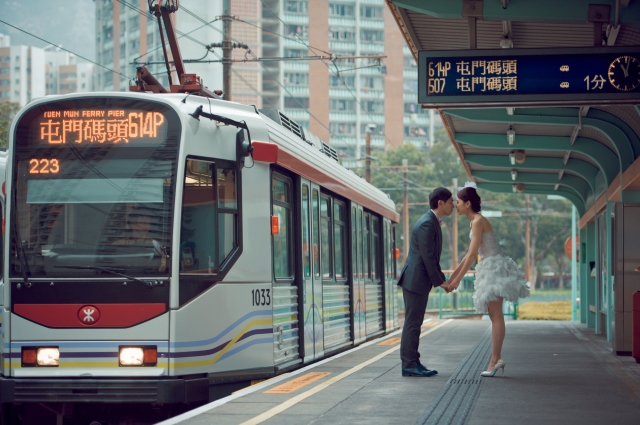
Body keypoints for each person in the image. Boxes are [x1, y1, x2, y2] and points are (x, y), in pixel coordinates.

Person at [442, 182, 530, 377]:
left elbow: (473, 254)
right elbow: (469, 255)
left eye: (457, 202)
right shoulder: (475, 221)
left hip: (493, 269)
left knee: (496, 316)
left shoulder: (478, 221)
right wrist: (453, 277)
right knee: (493, 315)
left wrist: (456, 281)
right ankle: (495, 358)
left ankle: (495, 360)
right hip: (489, 268)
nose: (455, 205)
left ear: (467, 204)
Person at [398, 187, 454, 377]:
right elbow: (427, 257)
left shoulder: (432, 222)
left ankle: (414, 361)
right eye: (451, 201)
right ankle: (409, 364)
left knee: (415, 322)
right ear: (441, 203)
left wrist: (441, 280)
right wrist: (441, 282)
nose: (453, 205)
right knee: (412, 323)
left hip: (418, 279)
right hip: (415, 280)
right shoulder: (427, 224)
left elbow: (432, 258)